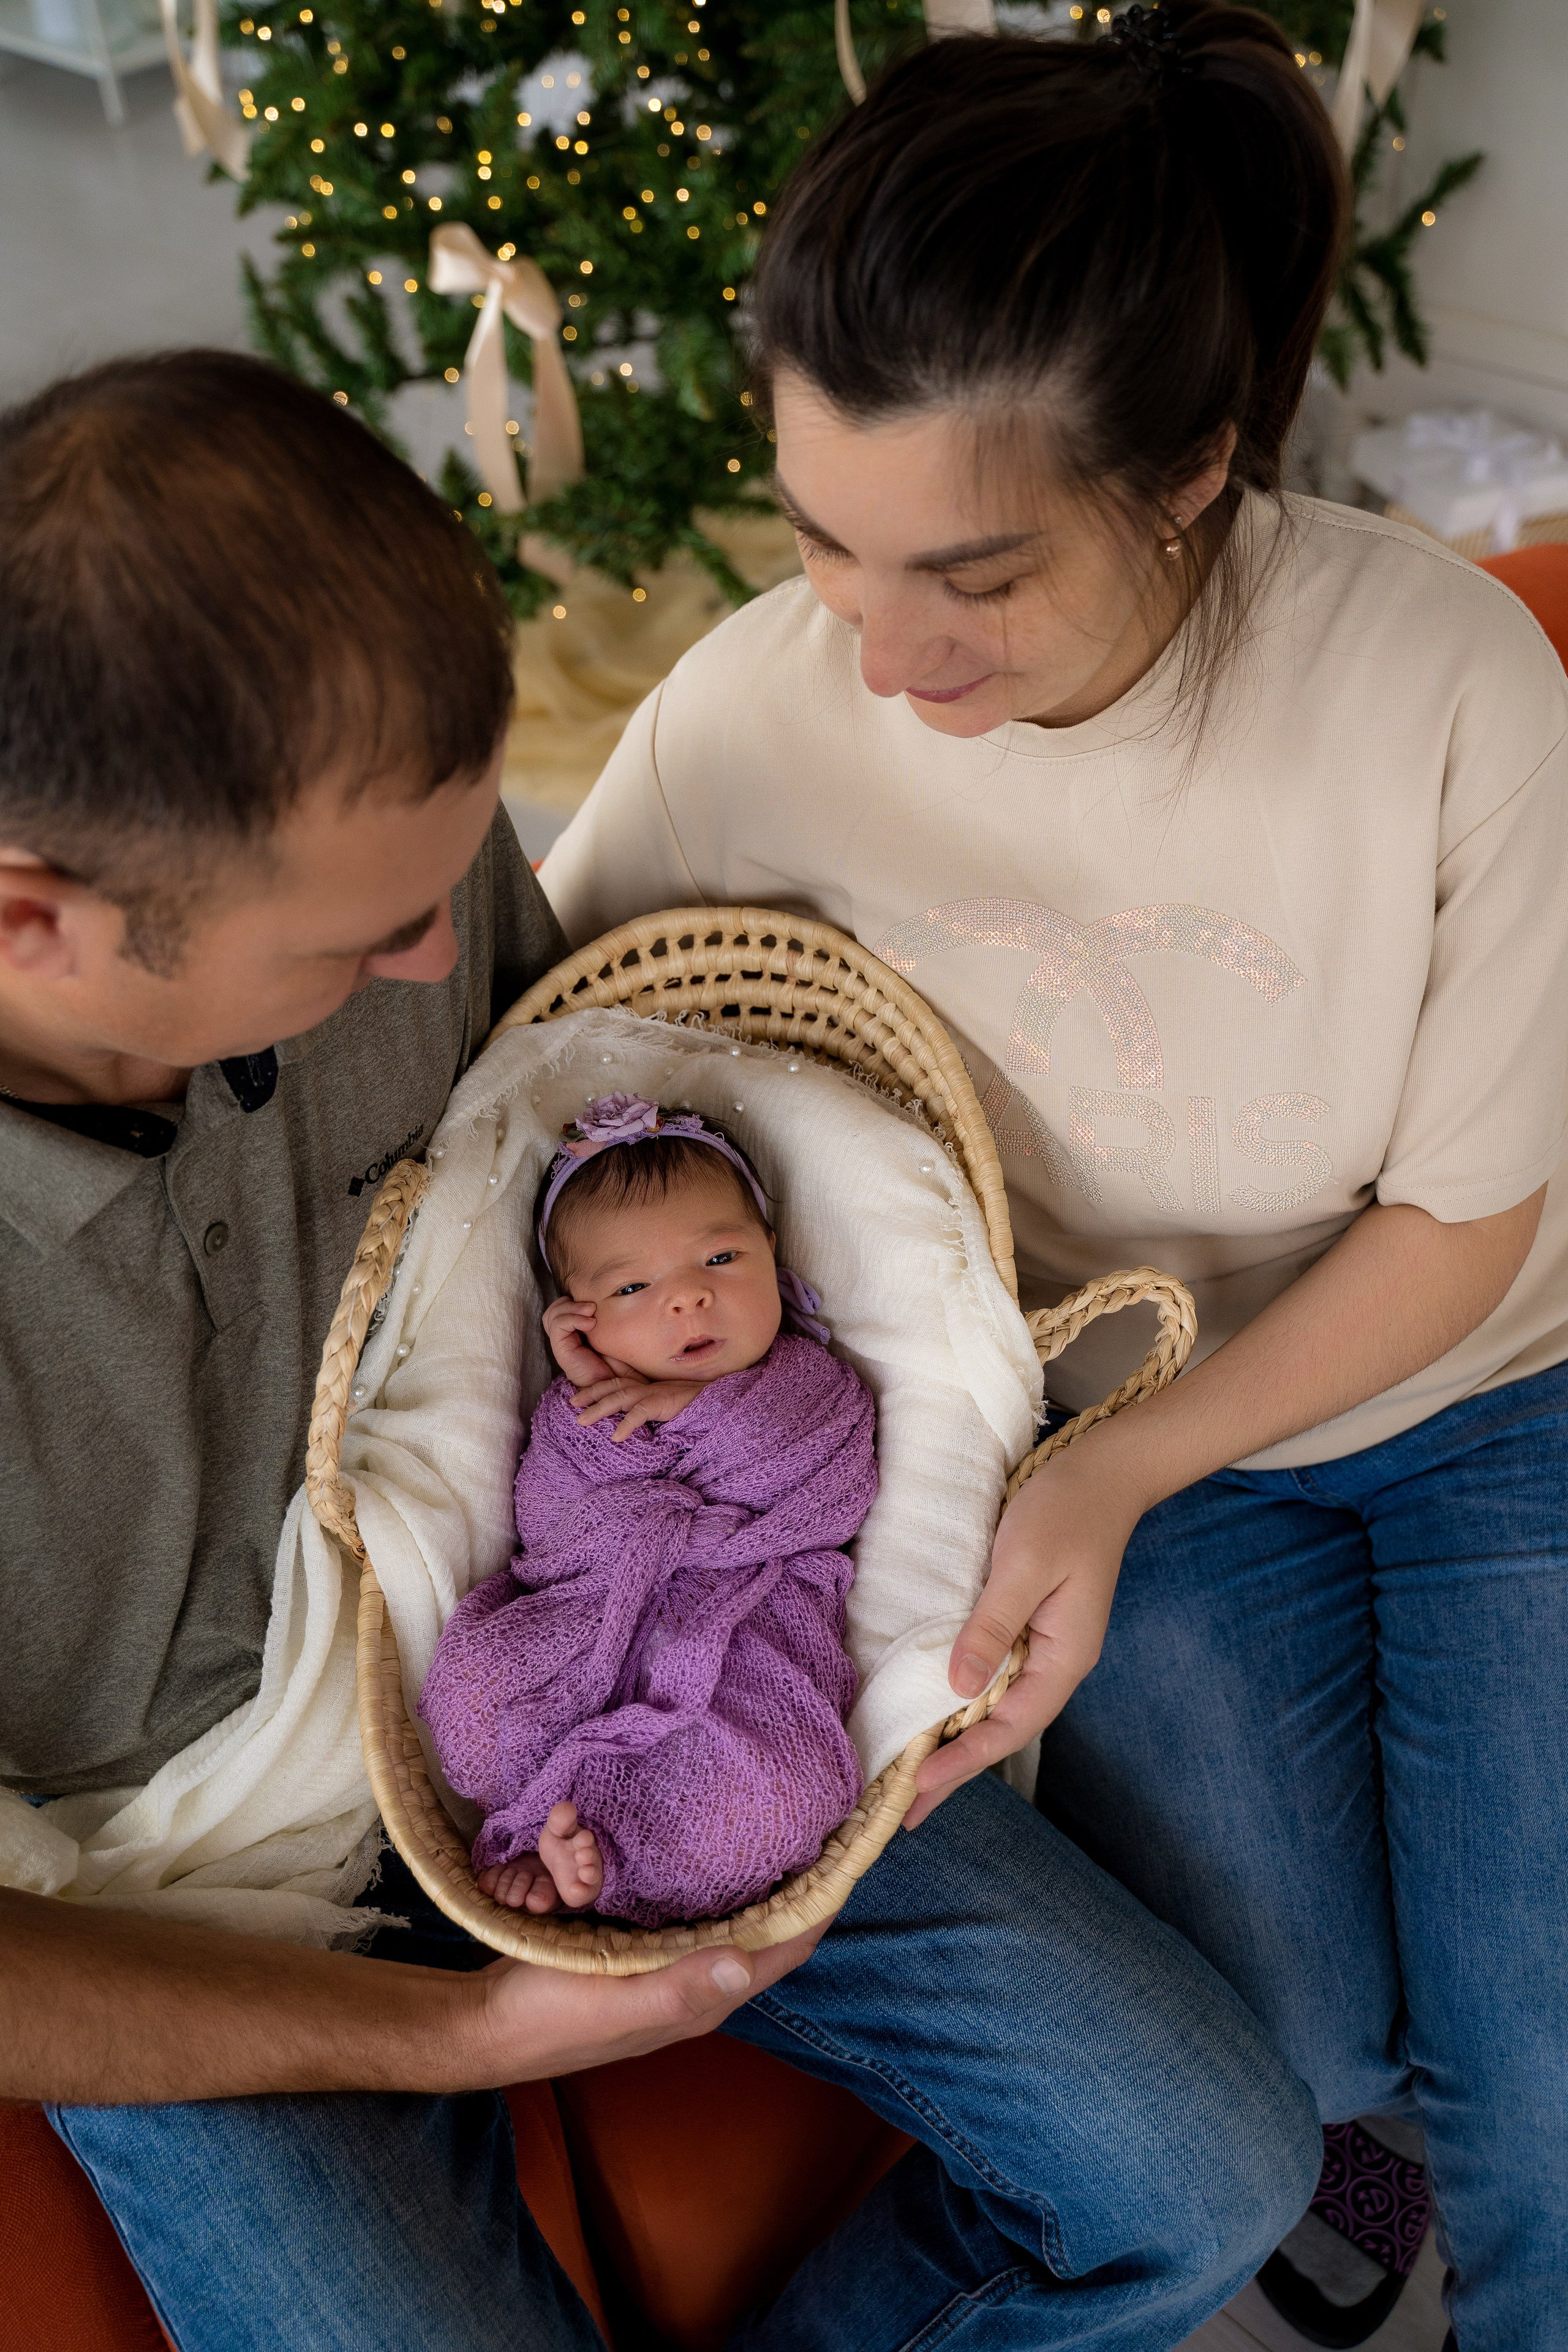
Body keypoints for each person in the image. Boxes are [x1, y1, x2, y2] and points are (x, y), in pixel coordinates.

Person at [0, 350, 1319, 2350]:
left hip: (621, 1621)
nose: (439, 968)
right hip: (185, 1881)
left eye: (450, 883)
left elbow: (611, 1123)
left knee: (1209, 2174)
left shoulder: (390, 882)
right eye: (353, 948)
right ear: (38, 926)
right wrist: (461, 2041)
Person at [539, 10, 1568, 2348]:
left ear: (1195, 469)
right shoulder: (750, 710)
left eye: (974, 581)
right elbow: (519, 1061)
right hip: (1113, 1424)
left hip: (1490, 1382)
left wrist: (1106, 1492)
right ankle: (1353, 2173)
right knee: (1300, 2067)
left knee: (1550, 2075)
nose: (883, 655)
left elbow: (1465, 1230)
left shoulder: (1447, 688)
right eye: (826, 543)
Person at [420, 1096, 872, 1926]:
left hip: (744, 1632)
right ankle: (546, 1829)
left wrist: (679, 1408)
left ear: (773, 1256)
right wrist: (599, 1397)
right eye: (633, 1285)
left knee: (776, 1798)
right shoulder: (579, 1413)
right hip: (594, 1614)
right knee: (475, 1699)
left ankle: (601, 1863)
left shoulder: (809, 1384)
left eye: (722, 1256)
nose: (688, 1299)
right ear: (578, 1318)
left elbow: (832, 1482)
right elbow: (551, 1529)